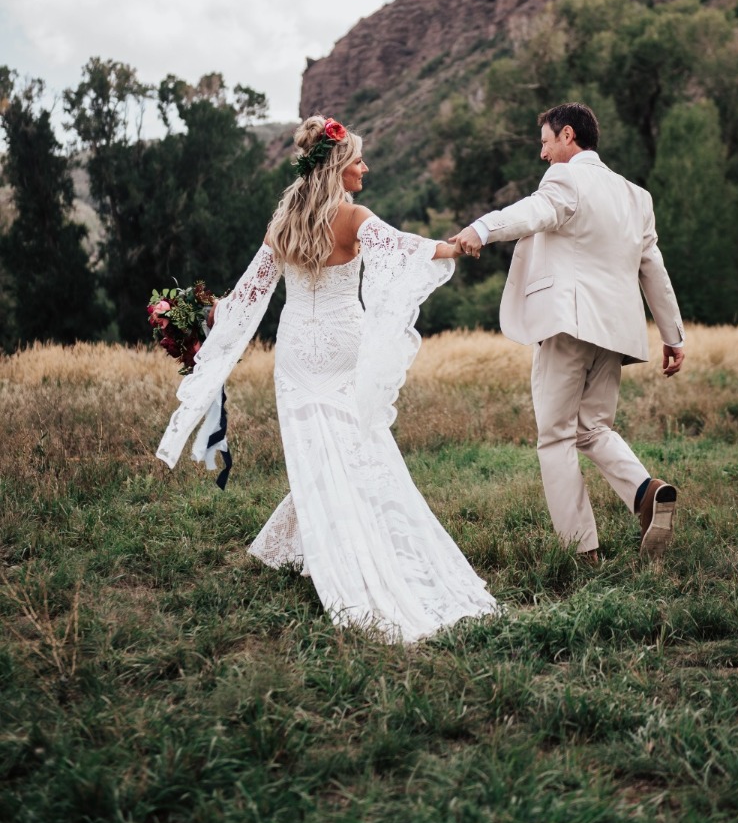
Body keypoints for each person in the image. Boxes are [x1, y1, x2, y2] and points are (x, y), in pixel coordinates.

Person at [157, 115, 497, 642]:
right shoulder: (354, 216)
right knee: (358, 445)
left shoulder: (282, 225)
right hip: (342, 343)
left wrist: (197, 317)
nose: (365, 166)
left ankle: (318, 537)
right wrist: (457, 245)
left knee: (317, 448)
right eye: (358, 158)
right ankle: (345, 543)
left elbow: (248, 294)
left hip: (296, 350)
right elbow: (406, 247)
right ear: (338, 165)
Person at [452, 102, 685, 561]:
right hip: (615, 332)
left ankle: (583, 551)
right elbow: (652, 268)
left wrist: (482, 228)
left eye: (545, 142)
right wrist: (672, 336)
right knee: (594, 427)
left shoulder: (566, 179)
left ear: (568, 137)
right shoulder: (637, 196)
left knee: (555, 436)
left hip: (569, 323)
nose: (543, 154)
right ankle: (645, 492)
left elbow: (534, 212)